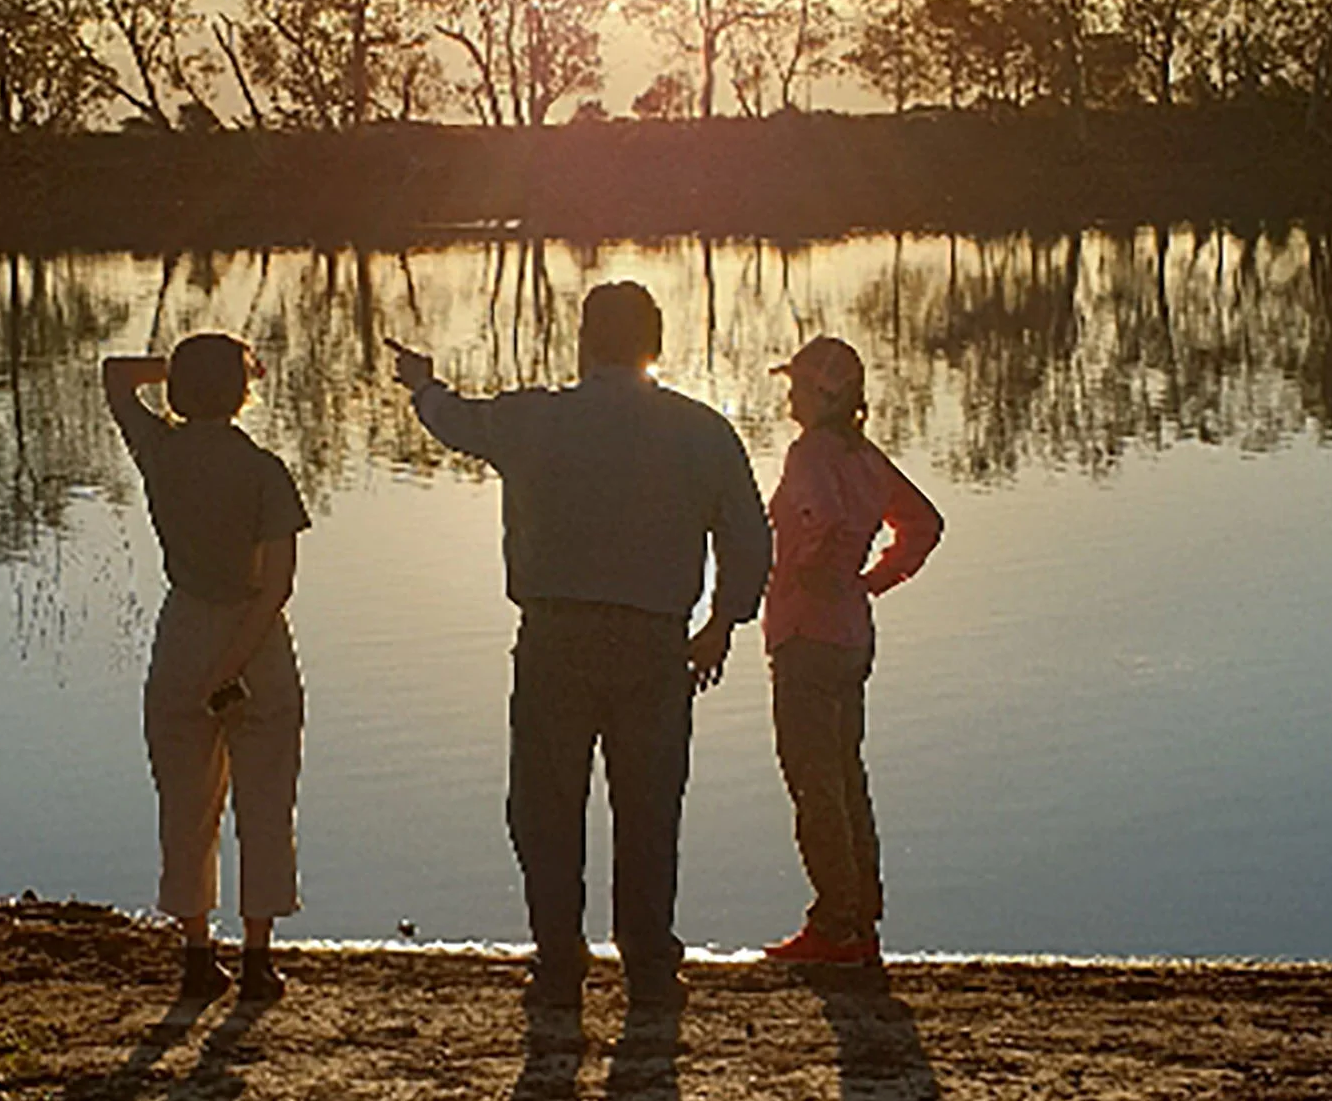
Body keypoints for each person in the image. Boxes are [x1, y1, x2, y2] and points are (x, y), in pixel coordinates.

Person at [387, 281, 771, 1009]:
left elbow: (453, 422)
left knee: (545, 804)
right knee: (651, 805)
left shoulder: (535, 419)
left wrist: (424, 382)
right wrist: (723, 621)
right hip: (657, 641)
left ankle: (560, 958)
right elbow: (748, 537)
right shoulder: (702, 429)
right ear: (655, 345)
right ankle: (650, 964)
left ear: (585, 342)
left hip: (555, 636)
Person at [102, 333, 310, 1002]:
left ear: (180, 391)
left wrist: (185, 368)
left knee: (186, 804)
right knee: (266, 803)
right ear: (244, 391)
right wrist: (235, 665)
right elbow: (276, 586)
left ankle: (196, 952)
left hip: (185, 635)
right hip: (257, 645)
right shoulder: (265, 472)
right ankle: (257, 958)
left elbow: (113, 375)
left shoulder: (159, 452)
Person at [758, 334, 942, 966]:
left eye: (797, 386)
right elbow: (923, 524)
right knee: (845, 779)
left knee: (815, 785)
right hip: (851, 635)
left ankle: (835, 927)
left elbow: (824, 518)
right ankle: (859, 917)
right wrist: (873, 580)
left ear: (821, 393)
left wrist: (813, 567)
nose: (788, 398)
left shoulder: (811, 452)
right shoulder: (865, 458)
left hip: (806, 635)